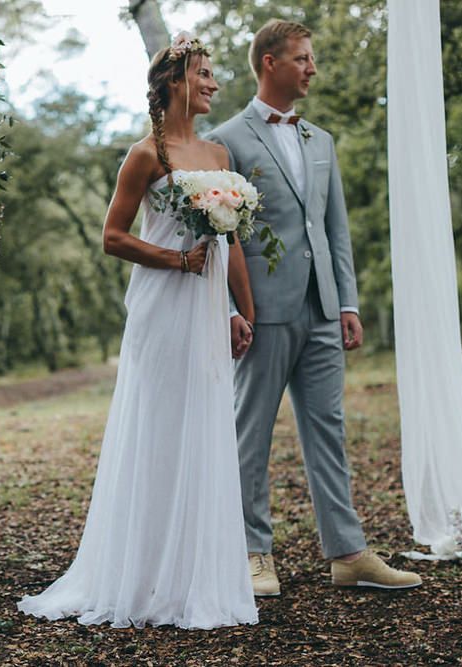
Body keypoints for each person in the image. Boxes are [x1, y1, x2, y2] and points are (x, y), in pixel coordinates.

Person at [17, 32, 258, 629]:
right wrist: (177, 261)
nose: (214, 84)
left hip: (207, 309)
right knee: (159, 429)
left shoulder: (220, 157)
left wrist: (240, 312)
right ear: (176, 81)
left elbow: (231, 248)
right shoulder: (145, 154)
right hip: (162, 305)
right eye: (204, 73)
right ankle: (142, 577)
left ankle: (195, 576)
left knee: (204, 427)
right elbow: (113, 237)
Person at [207, 19, 421, 595]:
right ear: (270, 62)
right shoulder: (226, 139)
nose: (312, 68)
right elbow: (218, 237)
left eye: (312, 58)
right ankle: (251, 552)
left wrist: (345, 301)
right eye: (302, 58)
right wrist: (232, 309)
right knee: (249, 434)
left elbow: (334, 229)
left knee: (329, 429)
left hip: (322, 309)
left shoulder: (319, 140)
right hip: (262, 313)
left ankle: (349, 552)